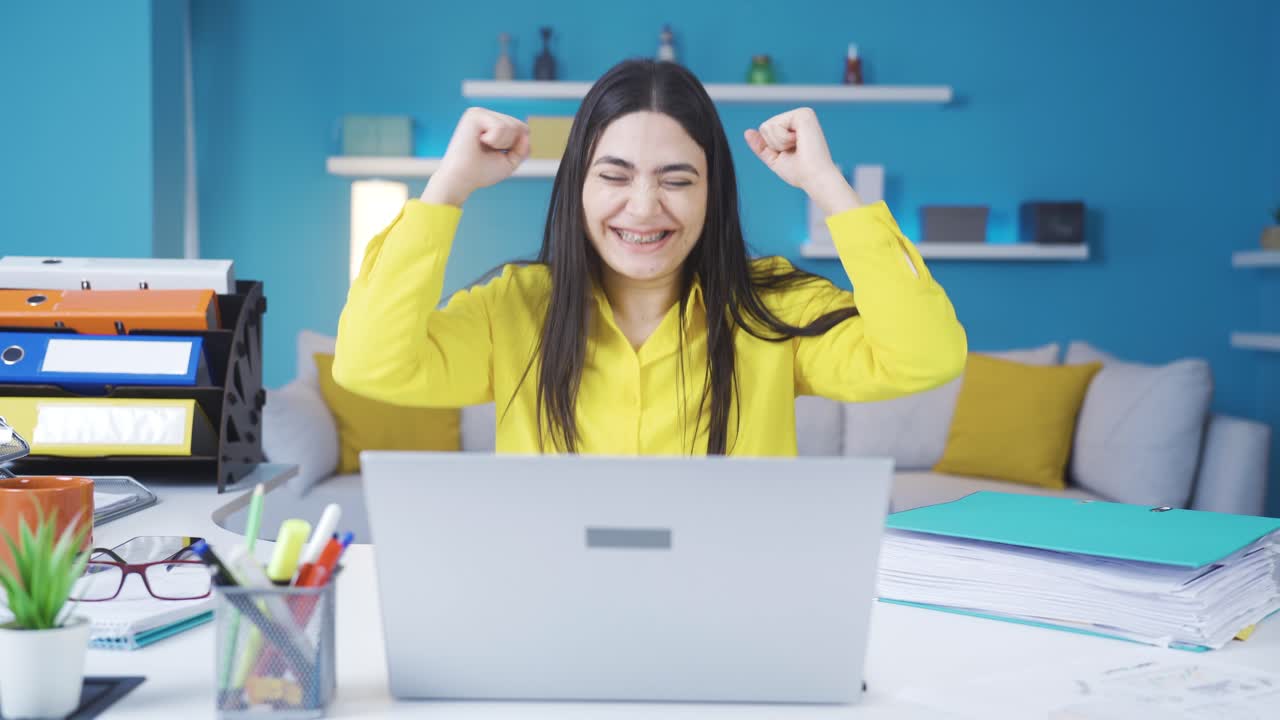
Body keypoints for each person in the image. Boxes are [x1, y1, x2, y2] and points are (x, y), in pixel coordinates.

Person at [334, 59, 966, 455]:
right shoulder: (514, 308)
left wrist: (827, 184)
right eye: (614, 176)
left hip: (728, 625)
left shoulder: (773, 306)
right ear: (576, 187)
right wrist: (449, 186)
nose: (643, 208)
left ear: (712, 193)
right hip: (555, 619)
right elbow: (370, 367)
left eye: (677, 179)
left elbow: (925, 358)